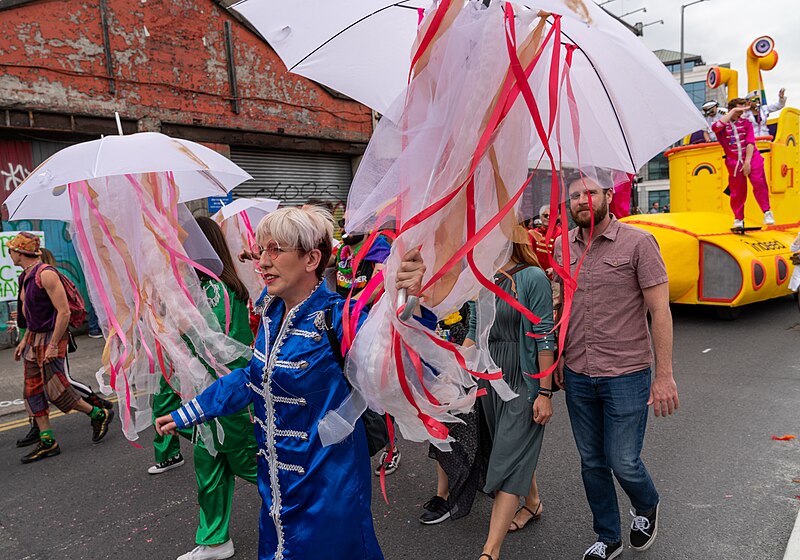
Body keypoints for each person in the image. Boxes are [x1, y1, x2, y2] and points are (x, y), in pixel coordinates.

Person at [155, 206, 431, 560]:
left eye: (275, 250)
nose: (262, 262)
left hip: (331, 489)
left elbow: (402, 365)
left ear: (311, 259)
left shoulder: (339, 317)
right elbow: (252, 377)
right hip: (277, 489)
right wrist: (189, 412)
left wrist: (412, 306)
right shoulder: (271, 313)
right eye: (262, 250)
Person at [552, 172, 679, 560]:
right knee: (591, 462)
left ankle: (646, 504)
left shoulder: (639, 243)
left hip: (626, 374)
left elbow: (660, 311)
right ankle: (608, 538)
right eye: (574, 195)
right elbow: (561, 305)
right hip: (576, 372)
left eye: (589, 192)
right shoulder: (561, 247)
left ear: (608, 195)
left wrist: (664, 375)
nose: (581, 200)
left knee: (623, 460)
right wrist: (557, 358)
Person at [166, 216, 259, 560]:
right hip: (207, 398)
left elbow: (214, 344)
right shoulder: (200, 289)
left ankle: (306, 512)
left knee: (249, 463)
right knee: (209, 465)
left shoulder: (217, 289)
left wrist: (178, 324)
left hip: (230, 396)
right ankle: (215, 539)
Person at [464, 228, 555, 560]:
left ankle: (490, 551)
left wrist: (545, 392)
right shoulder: (482, 279)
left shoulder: (533, 278)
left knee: (505, 453)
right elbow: (474, 328)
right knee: (511, 445)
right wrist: (458, 369)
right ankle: (532, 502)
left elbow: (545, 335)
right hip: (491, 378)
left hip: (524, 377)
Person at [8, 232, 114, 463]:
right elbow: (29, 314)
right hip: (35, 338)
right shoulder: (24, 276)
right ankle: (48, 440)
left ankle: (98, 413)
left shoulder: (45, 274)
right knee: (32, 391)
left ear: (20, 251)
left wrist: (54, 344)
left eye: (11, 250)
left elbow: (64, 312)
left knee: (56, 389)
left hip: (50, 337)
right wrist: (24, 340)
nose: (9, 254)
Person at [334, 223, 400, 476]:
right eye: (345, 222)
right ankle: (358, 443)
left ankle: (390, 447)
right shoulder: (343, 251)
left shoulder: (378, 247)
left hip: (369, 327)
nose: (347, 226)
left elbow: (380, 284)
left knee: (376, 387)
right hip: (343, 327)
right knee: (352, 385)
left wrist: (352, 305)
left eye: (354, 221)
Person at [712, 98, 774, 229]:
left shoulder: (746, 123)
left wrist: (747, 162)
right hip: (733, 161)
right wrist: (734, 111)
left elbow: (750, 142)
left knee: (759, 182)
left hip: (752, 157)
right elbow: (715, 128)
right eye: (738, 110)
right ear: (732, 110)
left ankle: (767, 211)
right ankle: (738, 218)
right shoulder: (722, 125)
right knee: (737, 190)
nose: (741, 113)